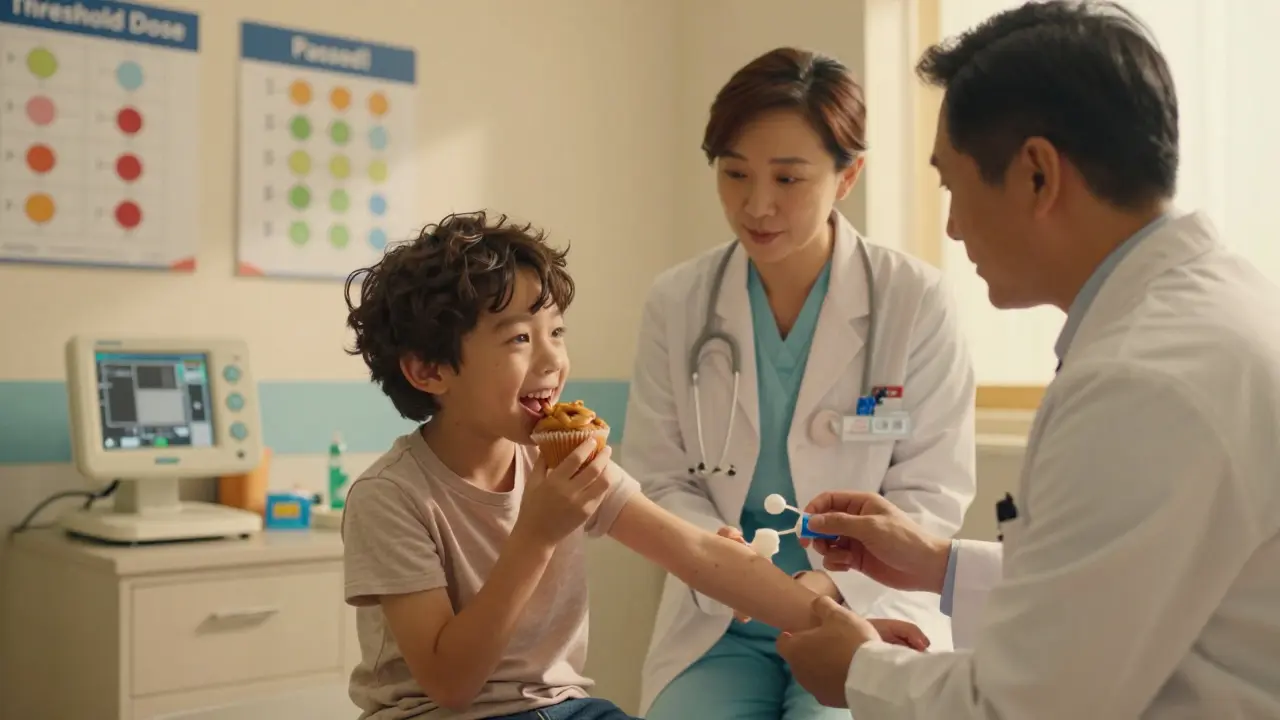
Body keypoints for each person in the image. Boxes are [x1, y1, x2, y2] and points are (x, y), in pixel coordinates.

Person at [770, 2, 1280, 718]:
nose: (952, 226)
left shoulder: (1141, 384)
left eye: (953, 186)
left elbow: (1027, 705)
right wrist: (942, 566)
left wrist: (860, 671)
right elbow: (1116, 585)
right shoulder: (1213, 311)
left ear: (1037, 175)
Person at [338, 210, 927, 720]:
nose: (552, 359)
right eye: (518, 339)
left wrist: (848, 632)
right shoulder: (391, 498)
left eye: (556, 331)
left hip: (562, 706)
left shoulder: (563, 457)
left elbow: (698, 554)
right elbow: (451, 685)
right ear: (429, 370)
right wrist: (537, 535)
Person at [621, 46, 978, 720]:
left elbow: (932, 490)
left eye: (788, 178)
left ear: (847, 177)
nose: (756, 205)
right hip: (720, 616)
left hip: (860, 605)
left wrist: (821, 588)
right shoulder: (678, 300)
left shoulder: (915, 299)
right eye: (734, 173)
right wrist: (729, 565)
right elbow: (657, 477)